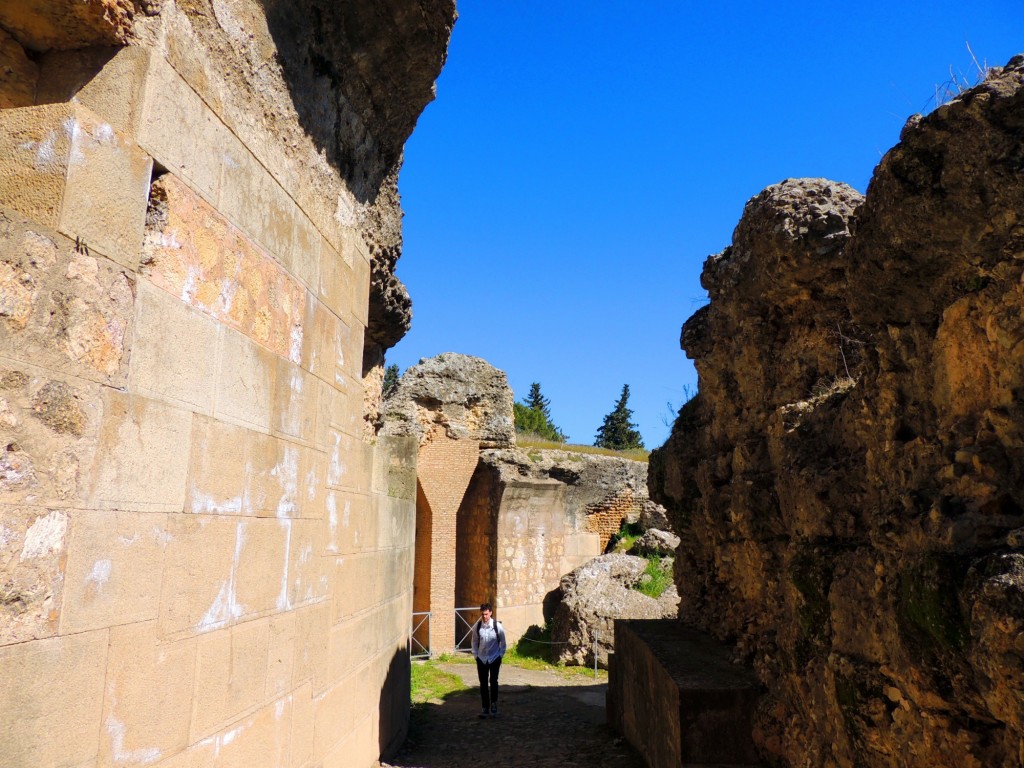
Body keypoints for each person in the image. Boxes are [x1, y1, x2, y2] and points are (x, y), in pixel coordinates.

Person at [470, 601, 506, 718]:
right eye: (482, 614)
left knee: (494, 681)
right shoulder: (478, 626)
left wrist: (500, 656)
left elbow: (503, 642)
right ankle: (485, 706)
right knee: (483, 683)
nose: (484, 617)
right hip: (482, 659)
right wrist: (476, 656)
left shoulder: (497, 626)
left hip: (494, 658)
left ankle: (494, 703)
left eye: (486, 614)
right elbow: (474, 642)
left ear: (490, 613)